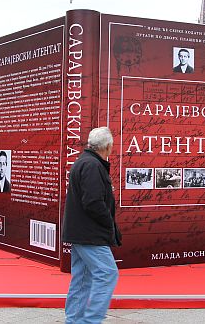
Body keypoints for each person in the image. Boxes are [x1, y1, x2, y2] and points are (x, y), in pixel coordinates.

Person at [62, 127, 121, 323]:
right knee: (107, 273)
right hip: (90, 234)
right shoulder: (92, 166)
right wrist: (109, 224)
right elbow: (93, 202)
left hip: (81, 232)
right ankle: (90, 320)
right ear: (108, 146)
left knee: (82, 279)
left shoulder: (84, 162)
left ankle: (75, 320)